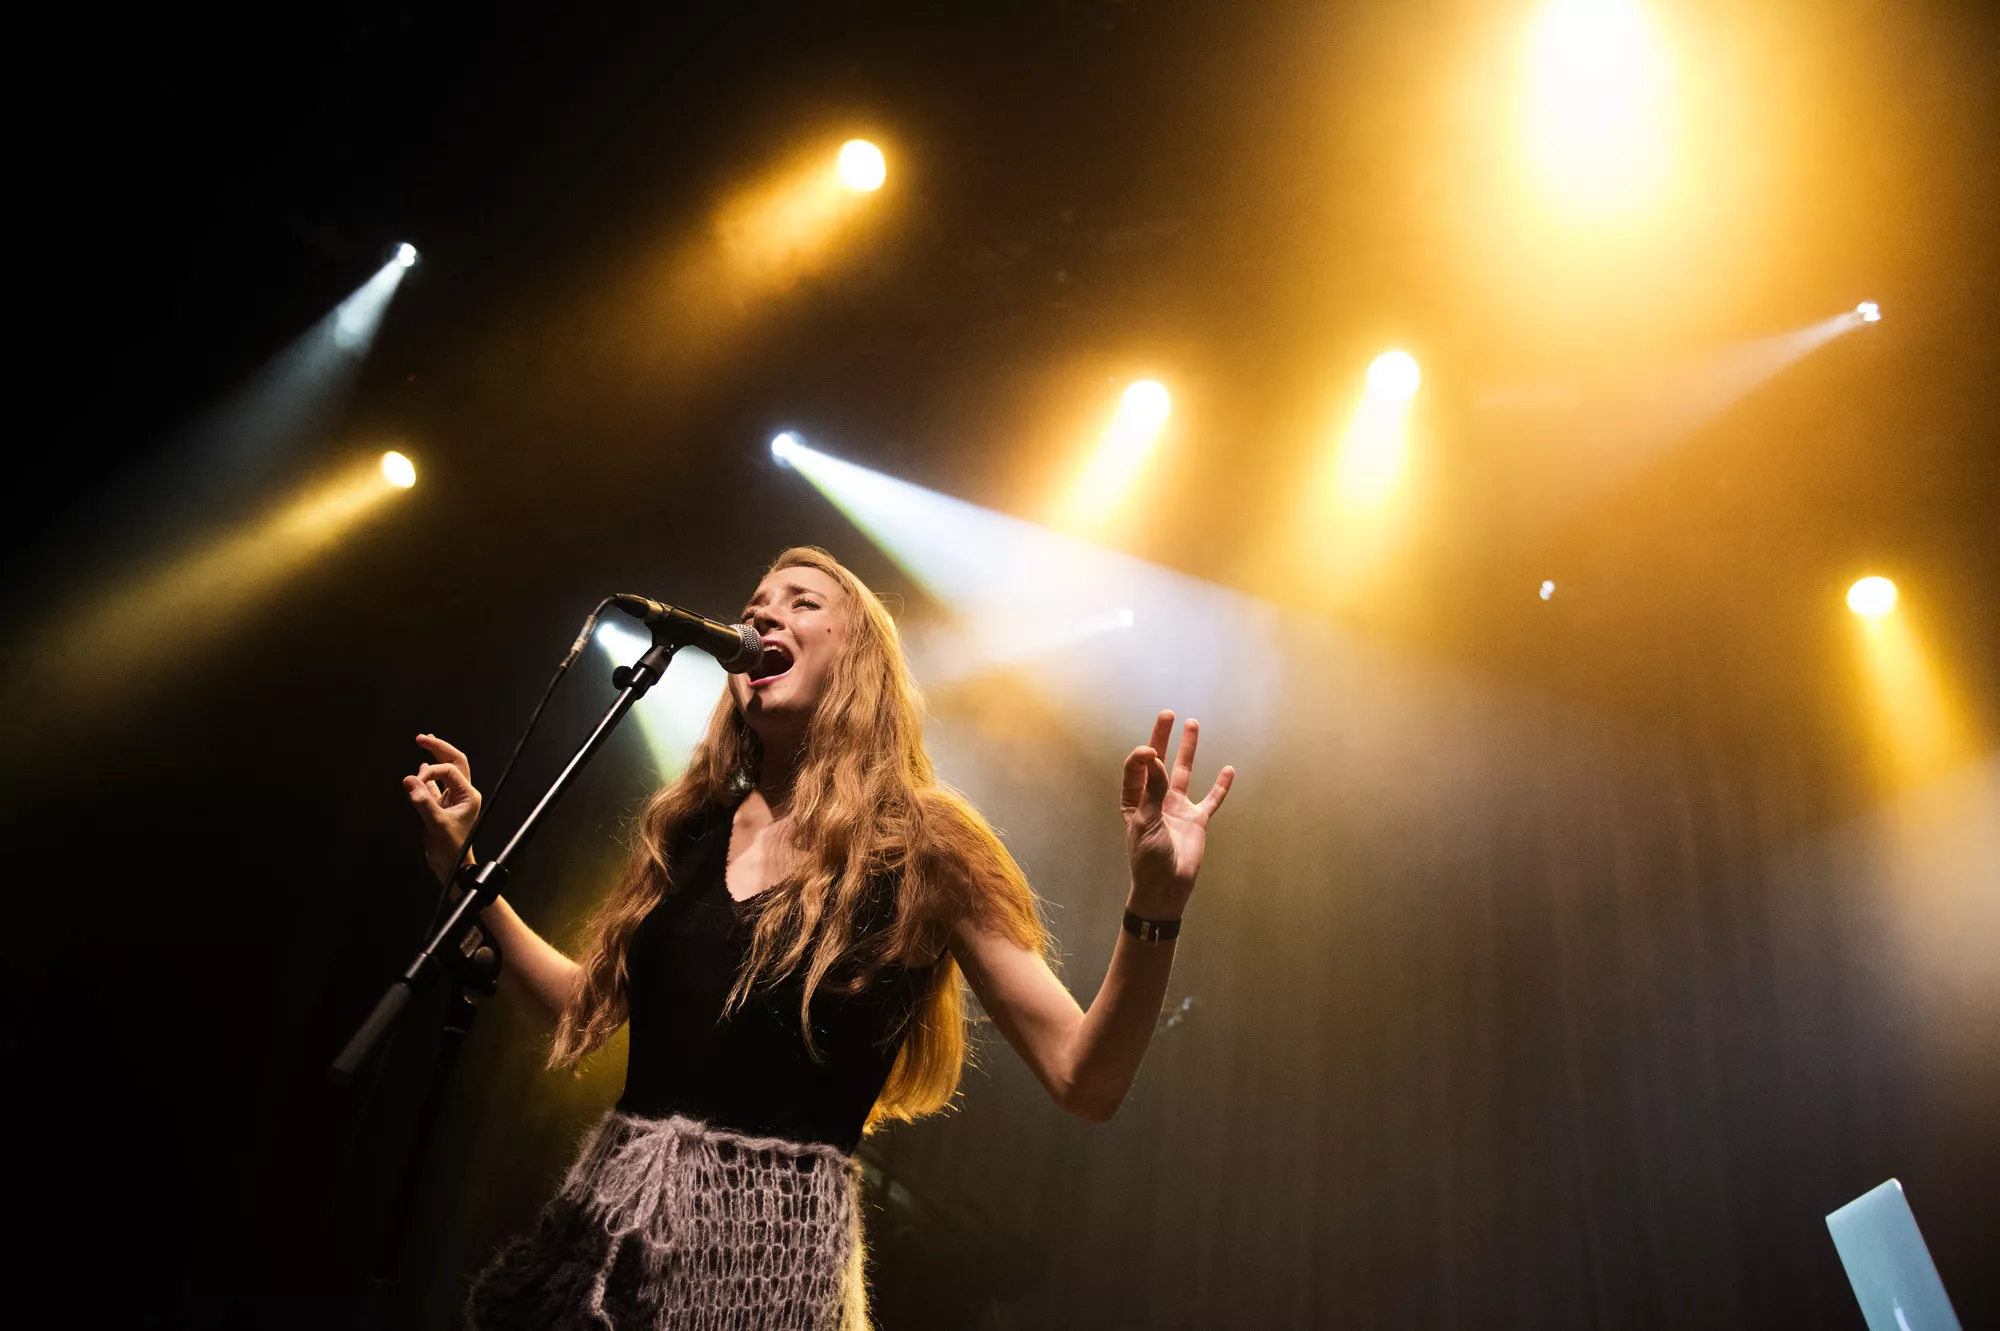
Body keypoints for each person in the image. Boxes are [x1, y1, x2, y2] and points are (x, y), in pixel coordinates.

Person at [403, 546, 1235, 1330]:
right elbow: (579, 1009)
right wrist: (464, 869)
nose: (764, 618)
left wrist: (1154, 907)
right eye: (754, 607)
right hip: (605, 1234)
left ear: (860, 661)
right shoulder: (689, 829)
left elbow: (1085, 1078)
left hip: (772, 1265)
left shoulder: (925, 846)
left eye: (802, 603)